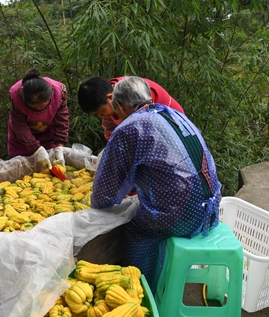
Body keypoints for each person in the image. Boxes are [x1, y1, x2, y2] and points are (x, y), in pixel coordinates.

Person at [90, 76, 221, 292]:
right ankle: (164, 274)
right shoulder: (172, 113)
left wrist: (98, 204)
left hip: (184, 216)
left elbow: (107, 191)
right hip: (211, 208)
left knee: (135, 230)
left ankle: (142, 290)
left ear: (120, 105)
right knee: (148, 211)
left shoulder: (130, 128)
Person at [78, 76, 184, 141]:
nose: (102, 116)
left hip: (173, 124)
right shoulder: (108, 99)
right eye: (98, 114)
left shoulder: (134, 93)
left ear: (110, 97)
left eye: (102, 112)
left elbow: (145, 133)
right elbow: (111, 132)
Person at [7, 67, 69, 167]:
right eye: (34, 107)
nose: (38, 108)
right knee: (21, 167)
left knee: (50, 165)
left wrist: (59, 147)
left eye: (41, 105)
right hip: (22, 140)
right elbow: (20, 127)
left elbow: (62, 121)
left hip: (48, 136)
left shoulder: (59, 92)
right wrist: (37, 149)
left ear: (49, 96)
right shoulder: (16, 95)